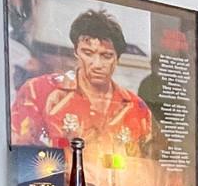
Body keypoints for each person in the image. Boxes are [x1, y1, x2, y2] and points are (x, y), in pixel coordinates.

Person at [10, 9, 154, 154]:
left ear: (117, 59)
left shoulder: (136, 108)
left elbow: (149, 162)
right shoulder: (38, 92)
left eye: (106, 56)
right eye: (88, 53)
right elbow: (21, 156)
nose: (97, 64)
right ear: (76, 52)